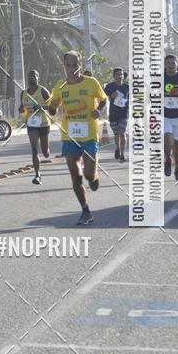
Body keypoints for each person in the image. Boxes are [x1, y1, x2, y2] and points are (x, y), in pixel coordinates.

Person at [48, 51, 107, 226]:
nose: (72, 68)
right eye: (69, 65)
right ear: (64, 66)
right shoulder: (60, 86)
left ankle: (94, 178)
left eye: (75, 65)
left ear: (80, 65)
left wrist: (99, 110)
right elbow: (53, 109)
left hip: (89, 135)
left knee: (88, 174)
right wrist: (51, 106)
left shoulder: (91, 83)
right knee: (75, 175)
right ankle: (85, 210)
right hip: (69, 135)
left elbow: (103, 100)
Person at [18, 70, 51, 185]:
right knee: (34, 149)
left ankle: (46, 152)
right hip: (31, 123)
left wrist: (41, 106)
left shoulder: (43, 91)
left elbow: (52, 107)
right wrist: (21, 109)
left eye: (34, 76)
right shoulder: (23, 93)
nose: (31, 78)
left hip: (43, 123)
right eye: (29, 76)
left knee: (45, 152)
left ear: (38, 78)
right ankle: (37, 175)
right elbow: (22, 107)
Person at [104, 67, 129, 161]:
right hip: (113, 114)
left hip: (123, 114)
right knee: (116, 134)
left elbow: (130, 98)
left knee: (122, 133)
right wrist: (111, 96)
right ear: (114, 76)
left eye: (121, 74)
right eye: (117, 74)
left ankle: (122, 154)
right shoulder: (110, 86)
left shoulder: (127, 87)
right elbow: (103, 97)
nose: (119, 76)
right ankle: (117, 148)